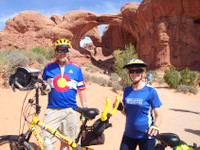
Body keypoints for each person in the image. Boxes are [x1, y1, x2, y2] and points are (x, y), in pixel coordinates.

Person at [40, 39, 87, 150]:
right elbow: (43, 87)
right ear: (56, 51)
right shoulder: (48, 67)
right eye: (60, 49)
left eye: (65, 49)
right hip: (52, 109)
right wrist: (44, 88)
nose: (63, 52)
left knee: (67, 141)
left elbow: (81, 89)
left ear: (68, 51)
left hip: (71, 109)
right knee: (45, 137)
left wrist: (84, 107)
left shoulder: (76, 68)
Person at [113, 58, 162, 150]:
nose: (134, 74)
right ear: (129, 73)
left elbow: (158, 114)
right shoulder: (127, 90)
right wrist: (120, 108)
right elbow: (127, 113)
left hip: (147, 136)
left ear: (143, 73)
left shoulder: (151, 91)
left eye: (138, 71)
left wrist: (155, 126)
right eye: (132, 71)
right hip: (129, 134)